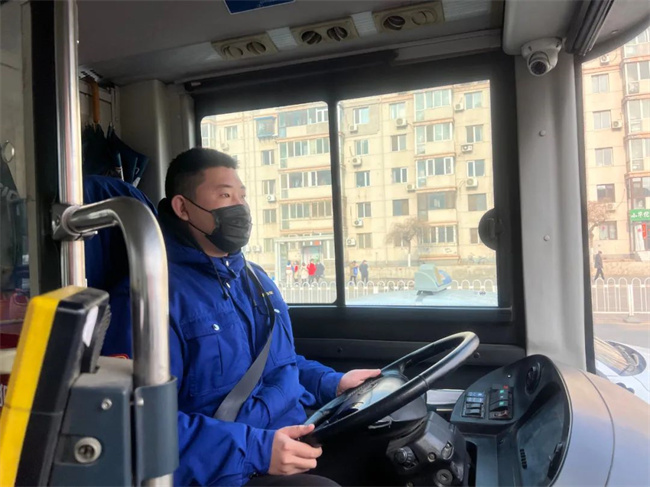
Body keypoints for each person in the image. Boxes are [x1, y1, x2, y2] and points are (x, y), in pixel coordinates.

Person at [155, 148, 380, 486]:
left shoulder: (256, 280)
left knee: (387, 452)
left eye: (242, 196)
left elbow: (280, 364)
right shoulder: (155, 296)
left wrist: (332, 383)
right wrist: (257, 450)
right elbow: (144, 425)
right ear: (183, 207)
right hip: (229, 470)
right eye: (225, 195)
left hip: (290, 438)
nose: (240, 207)